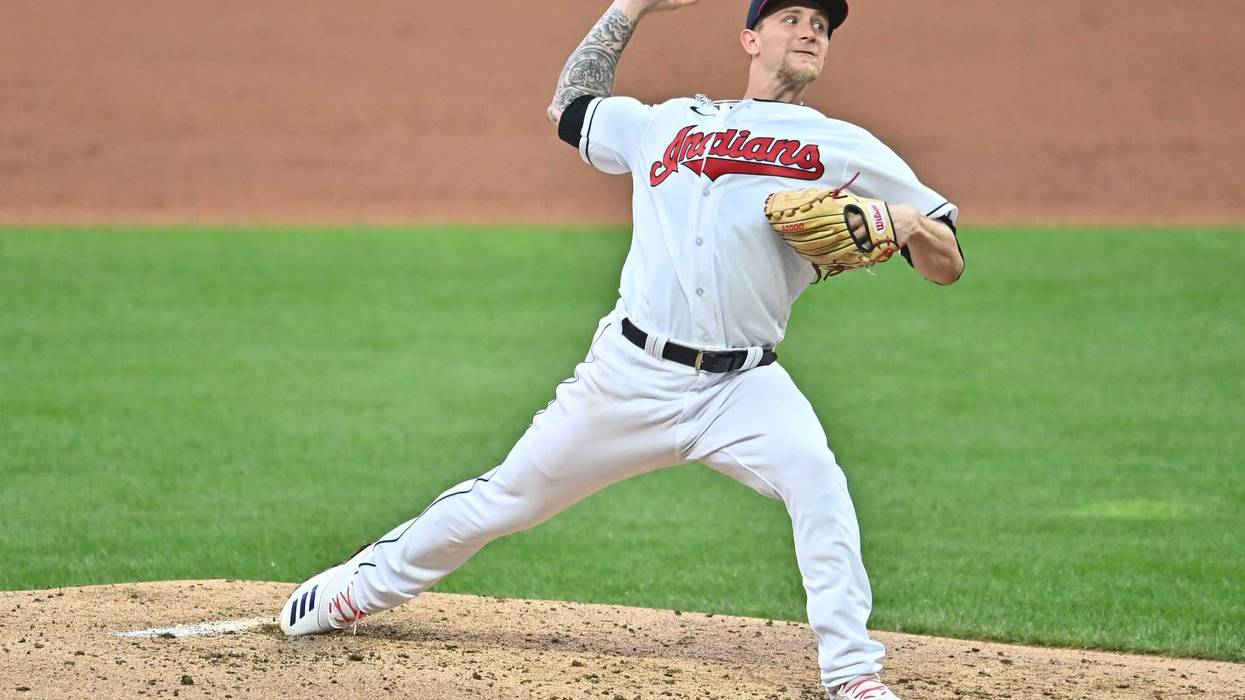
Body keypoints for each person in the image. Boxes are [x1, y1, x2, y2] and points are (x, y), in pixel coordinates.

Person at [279, 0, 964, 697]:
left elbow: (948, 261)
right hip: (627, 375)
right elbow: (570, 107)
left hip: (741, 386)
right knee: (506, 498)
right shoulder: (667, 121)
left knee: (818, 481)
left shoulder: (843, 147)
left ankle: (851, 676)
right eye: (791, 18)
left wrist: (908, 223)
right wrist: (629, 7)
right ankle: (359, 588)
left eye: (821, 24)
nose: (810, 30)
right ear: (750, 38)